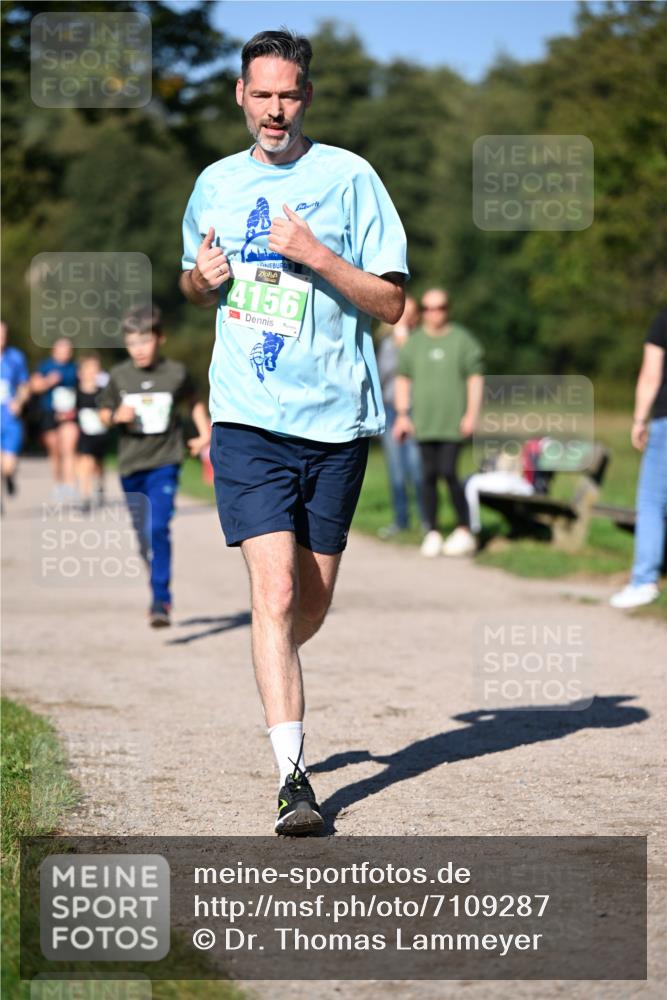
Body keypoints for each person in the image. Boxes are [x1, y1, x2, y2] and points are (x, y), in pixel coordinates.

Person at [180, 29, 407, 835]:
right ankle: (293, 780)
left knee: (306, 605)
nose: (274, 110)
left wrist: (316, 255)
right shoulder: (214, 183)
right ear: (240, 96)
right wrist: (199, 281)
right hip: (247, 416)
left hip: (336, 419)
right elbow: (194, 280)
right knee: (273, 592)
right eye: (261, 95)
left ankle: (274, 645)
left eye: (287, 95)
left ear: (305, 97)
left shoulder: (350, 178)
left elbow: (390, 303)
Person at [98, 304, 211, 627]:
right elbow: (103, 413)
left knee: (158, 527)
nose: (139, 349)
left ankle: (161, 599)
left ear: (160, 338)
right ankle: (156, 577)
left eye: (145, 341)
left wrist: (204, 433)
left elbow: (194, 400)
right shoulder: (119, 376)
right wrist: (115, 416)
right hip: (131, 466)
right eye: (132, 343)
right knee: (143, 537)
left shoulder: (175, 373)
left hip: (165, 461)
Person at [393, 288, 484, 557]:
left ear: (448, 309)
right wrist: (402, 415)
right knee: (428, 476)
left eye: (440, 307)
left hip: (453, 422)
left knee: (449, 472)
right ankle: (432, 530)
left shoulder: (462, 340)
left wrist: (472, 414)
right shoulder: (414, 343)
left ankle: (464, 528)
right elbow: (403, 379)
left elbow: (475, 378)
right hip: (423, 422)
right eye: (429, 308)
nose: (434, 313)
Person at [610, 309, 667, 609]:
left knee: (652, 502)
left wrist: (639, 420)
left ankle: (644, 581)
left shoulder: (663, 320)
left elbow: (650, 376)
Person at [376, 296, 425, 538]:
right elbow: (382, 373)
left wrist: (405, 344)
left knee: (416, 467)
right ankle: (401, 520)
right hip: (389, 408)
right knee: (395, 469)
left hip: (414, 409)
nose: (406, 315)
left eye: (411, 312)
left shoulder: (421, 341)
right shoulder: (385, 342)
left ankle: (427, 521)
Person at [30, 337, 79, 501]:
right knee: (55, 450)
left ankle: (70, 485)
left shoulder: (74, 367)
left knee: (69, 448)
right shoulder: (45, 366)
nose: (65, 353)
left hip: (69, 413)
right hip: (49, 412)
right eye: (62, 349)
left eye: (68, 350)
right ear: (54, 350)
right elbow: (34, 387)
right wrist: (47, 381)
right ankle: (58, 483)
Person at [75, 352, 111, 512]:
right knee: (86, 463)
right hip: (84, 434)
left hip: (101, 434)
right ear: (81, 371)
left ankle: (100, 486)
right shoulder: (76, 391)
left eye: (95, 368)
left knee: (98, 464)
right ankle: (85, 497)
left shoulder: (103, 391)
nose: (92, 372)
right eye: (89, 368)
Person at [0, 321, 30, 498]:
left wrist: (19, 402)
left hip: (9, 415)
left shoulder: (16, 357)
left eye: (3, 334)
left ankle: (9, 476)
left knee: (8, 465)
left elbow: (24, 385)